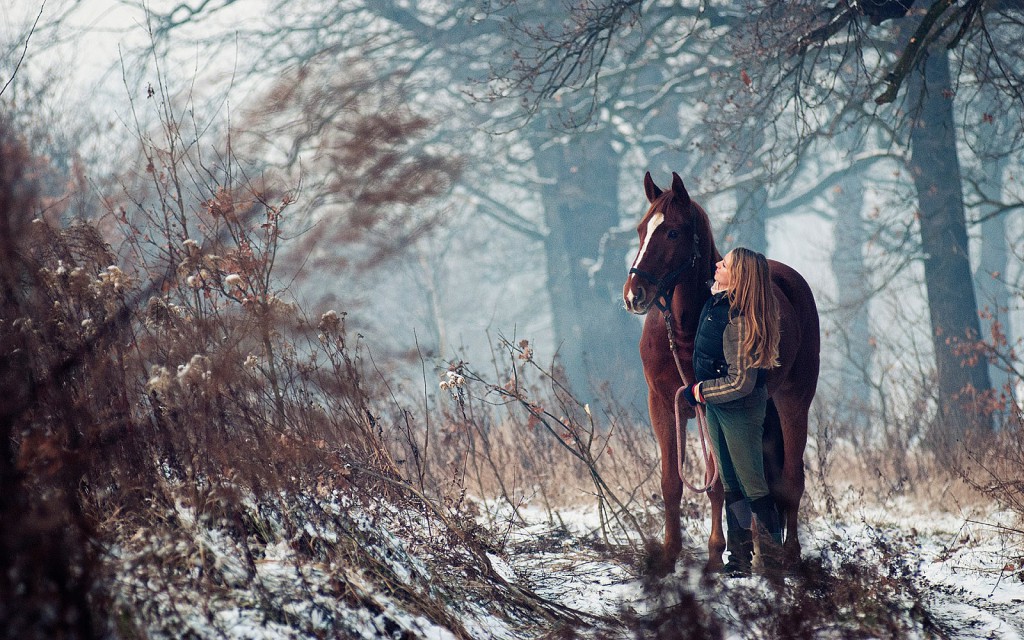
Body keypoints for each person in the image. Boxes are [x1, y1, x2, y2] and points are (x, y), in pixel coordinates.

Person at [682, 247, 783, 576]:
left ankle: (773, 562)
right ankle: (739, 561)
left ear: (737, 278)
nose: (716, 264)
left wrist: (701, 391)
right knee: (731, 485)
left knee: (753, 486)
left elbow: (740, 383)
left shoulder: (738, 320)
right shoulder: (717, 304)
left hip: (738, 408)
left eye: (723, 264)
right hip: (717, 407)